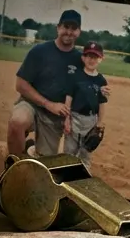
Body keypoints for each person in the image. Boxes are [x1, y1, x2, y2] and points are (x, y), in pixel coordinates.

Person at [8, 9, 83, 159]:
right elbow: (20, 84)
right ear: (58, 28)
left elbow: (81, 91)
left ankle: (31, 149)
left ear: (79, 32)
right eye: (65, 26)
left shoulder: (80, 59)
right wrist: (48, 103)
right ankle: (14, 163)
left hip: (55, 117)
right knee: (18, 121)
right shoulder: (39, 51)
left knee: (44, 162)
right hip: (31, 104)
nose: (69, 31)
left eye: (73, 28)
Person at [64, 41, 108, 169]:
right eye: (89, 56)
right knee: (69, 151)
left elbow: (102, 103)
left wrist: (100, 122)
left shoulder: (101, 80)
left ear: (100, 59)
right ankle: (66, 178)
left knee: (86, 153)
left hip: (91, 121)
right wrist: (66, 119)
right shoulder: (75, 76)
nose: (91, 59)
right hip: (74, 117)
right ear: (83, 57)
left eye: (95, 57)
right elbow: (69, 98)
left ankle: (83, 180)